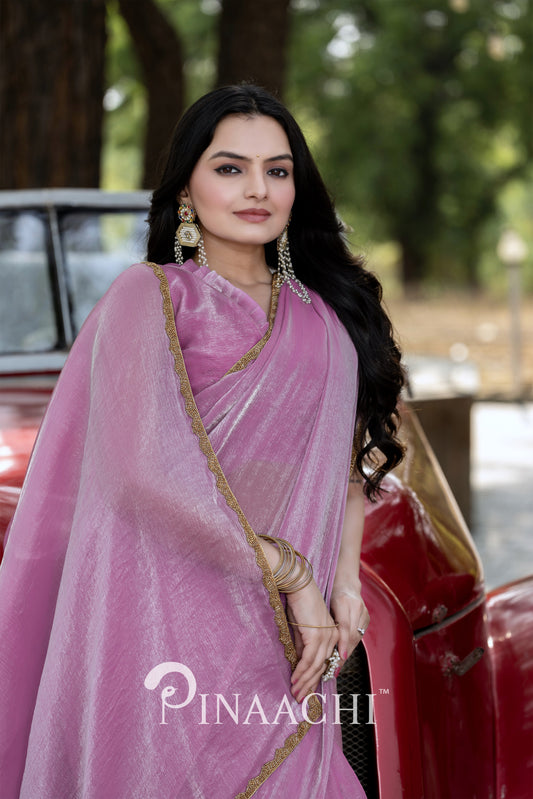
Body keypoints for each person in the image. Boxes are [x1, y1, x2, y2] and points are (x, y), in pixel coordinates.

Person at [0, 84, 404, 798]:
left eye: (277, 170)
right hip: (167, 619)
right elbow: (142, 472)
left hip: (291, 642)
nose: (257, 188)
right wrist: (295, 576)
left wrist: (341, 580)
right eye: (230, 167)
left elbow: (344, 460)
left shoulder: (326, 314)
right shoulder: (151, 297)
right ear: (187, 186)